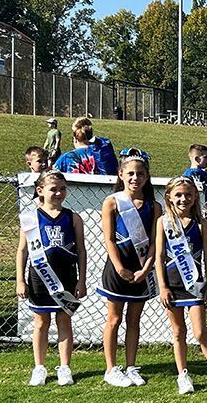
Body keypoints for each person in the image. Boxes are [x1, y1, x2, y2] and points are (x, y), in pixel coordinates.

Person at [154, 177, 207, 395]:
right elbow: (158, 257)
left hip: (194, 284)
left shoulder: (201, 223)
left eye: (188, 194)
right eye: (178, 195)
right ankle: (183, 375)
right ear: (169, 197)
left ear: (195, 197)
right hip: (172, 286)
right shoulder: (163, 222)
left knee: (199, 332)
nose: (183, 199)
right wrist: (163, 287)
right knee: (178, 332)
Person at [96, 149, 160, 387]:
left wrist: (146, 268)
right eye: (130, 173)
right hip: (117, 269)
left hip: (141, 269)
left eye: (140, 174)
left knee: (134, 320)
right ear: (121, 174)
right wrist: (120, 267)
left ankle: (131, 366)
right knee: (114, 319)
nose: (135, 178)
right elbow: (109, 238)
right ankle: (111, 368)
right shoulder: (112, 202)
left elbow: (155, 243)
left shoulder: (154, 207)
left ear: (147, 177)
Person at [15, 171, 86, 386]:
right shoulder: (30, 218)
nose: (58, 193)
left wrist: (81, 280)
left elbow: (81, 250)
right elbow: (22, 251)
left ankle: (65, 367)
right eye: (53, 189)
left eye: (62, 189)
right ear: (40, 191)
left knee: (64, 321)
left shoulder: (73, 217)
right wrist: (20, 280)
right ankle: (39, 367)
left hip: (66, 278)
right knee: (41, 323)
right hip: (39, 278)